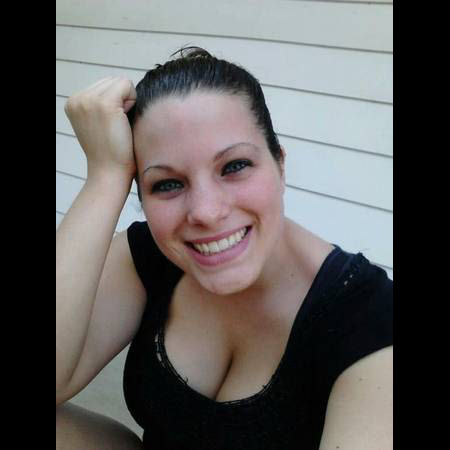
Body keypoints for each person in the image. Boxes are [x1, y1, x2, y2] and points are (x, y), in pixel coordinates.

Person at [56, 47, 393, 450]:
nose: (206, 211)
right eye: (167, 184)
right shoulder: (149, 255)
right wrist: (105, 175)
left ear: (280, 164)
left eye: (234, 166)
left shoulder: (370, 320)